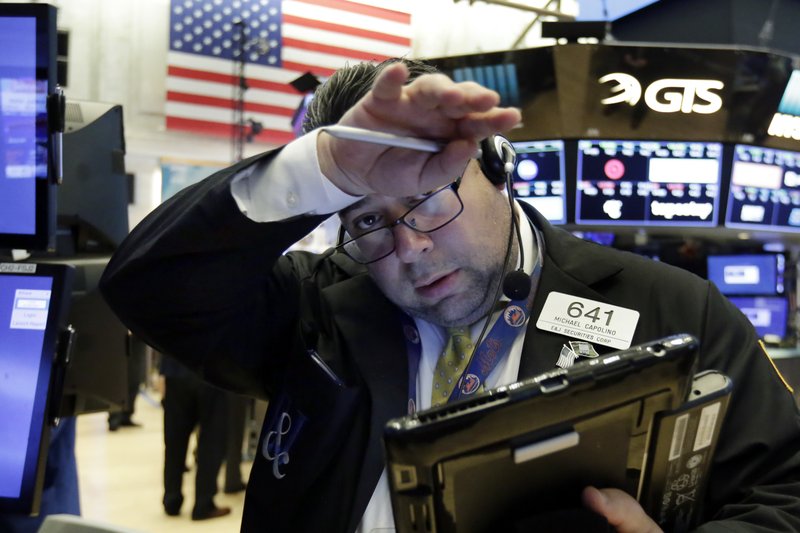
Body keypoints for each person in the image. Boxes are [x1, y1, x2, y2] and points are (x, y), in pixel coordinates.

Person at [99, 58, 800, 532]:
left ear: (497, 167)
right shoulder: (319, 312)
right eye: (368, 219)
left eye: (429, 200)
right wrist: (321, 169)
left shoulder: (674, 308)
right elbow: (150, 284)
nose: (409, 248)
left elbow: (786, 492)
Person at [160, 353, 230, 520]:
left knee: (175, 439)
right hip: (212, 371)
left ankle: (171, 499)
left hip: (175, 368)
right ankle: (204, 503)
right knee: (211, 440)